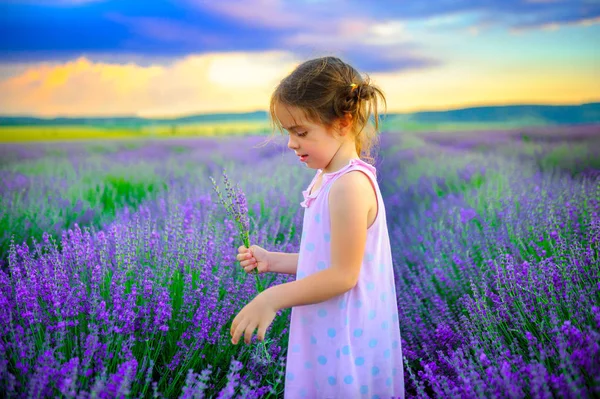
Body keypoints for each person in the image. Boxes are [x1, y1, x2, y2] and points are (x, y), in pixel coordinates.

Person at [230, 56, 404, 399]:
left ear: (343, 121)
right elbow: (325, 258)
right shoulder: (326, 179)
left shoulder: (349, 186)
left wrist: (272, 298)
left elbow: (343, 275)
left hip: (345, 334)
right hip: (327, 327)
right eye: (289, 133)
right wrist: (273, 260)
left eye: (301, 132)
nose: (292, 143)